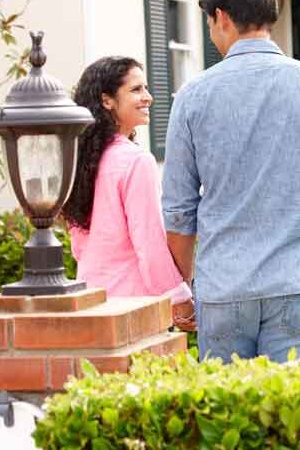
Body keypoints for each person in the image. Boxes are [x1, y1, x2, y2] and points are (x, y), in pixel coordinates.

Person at [162, 0, 300, 363]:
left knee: (226, 415)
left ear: (220, 16)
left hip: (223, 286)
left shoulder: (192, 97)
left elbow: (178, 210)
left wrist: (185, 284)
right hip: (298, 281)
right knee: (292, 415)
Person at [63, 56, 195, 331]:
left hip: (91, 299)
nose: (148, 97)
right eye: (136, 90)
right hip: (134, 305)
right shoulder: (135, 161)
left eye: (146, 88)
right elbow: (149, 242)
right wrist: (179, 297)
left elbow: (78, 244)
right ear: (107, 100)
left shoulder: (78, 160)